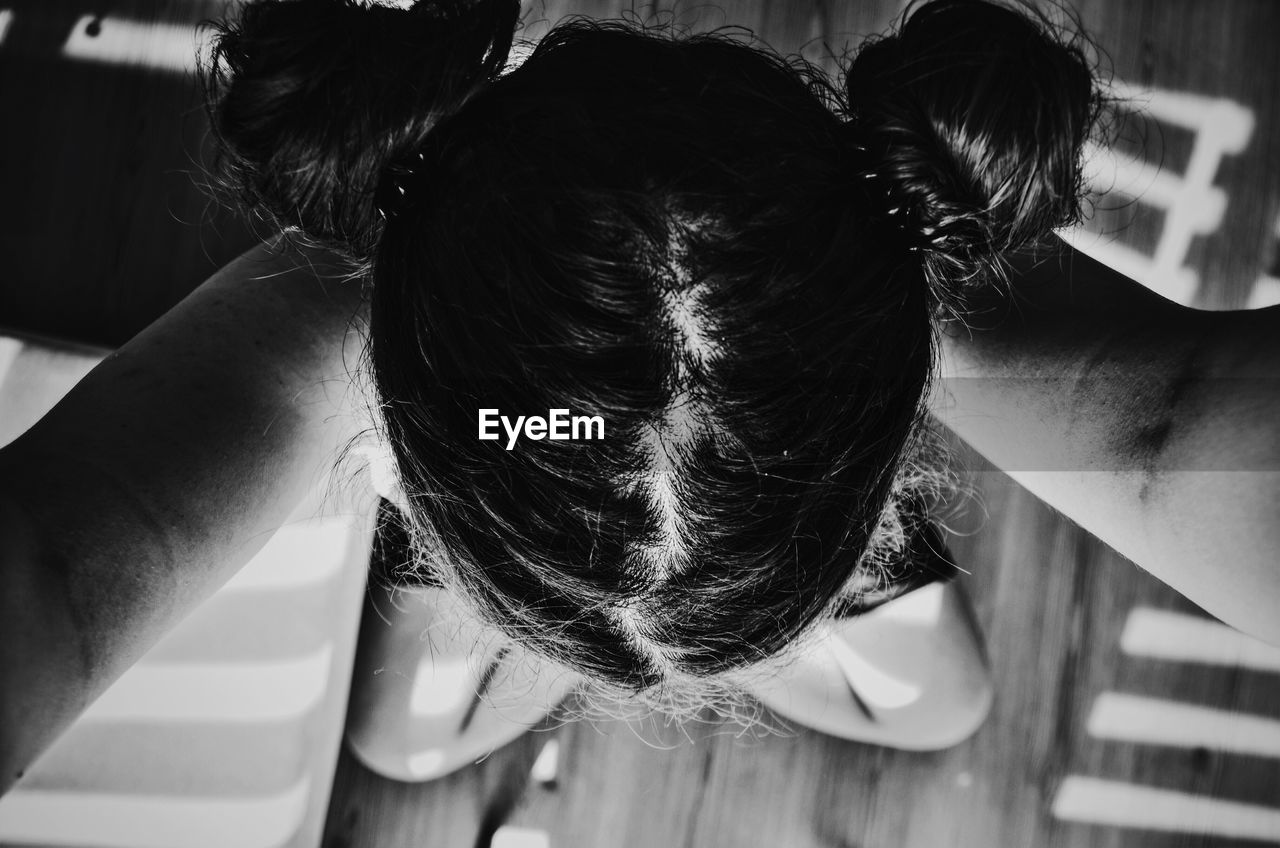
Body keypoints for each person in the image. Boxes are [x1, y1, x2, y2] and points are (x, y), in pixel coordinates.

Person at [1, 0, 1275, 794]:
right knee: (400, 741)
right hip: (562, 444)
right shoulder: (525, 423)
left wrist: (433, 297)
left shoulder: (476, 402)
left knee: (943, 700)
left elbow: (55, 566)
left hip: (586, 446)